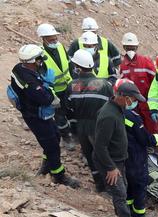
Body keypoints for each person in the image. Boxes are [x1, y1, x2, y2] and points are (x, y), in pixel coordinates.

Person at [9, 44, 79, 188]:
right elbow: (46, 99)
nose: (41, 61)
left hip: (36, 113)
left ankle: (47, 165)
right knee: (52, 145)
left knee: (55, 136)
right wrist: (49, 84)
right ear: (32, 61)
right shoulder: (31, 83)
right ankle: (58, 175)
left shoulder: (18, 68)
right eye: (39, 59)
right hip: (36, 116)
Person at [94, 81, 145, 217]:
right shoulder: (108, 115)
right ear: (123, 97)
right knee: (120, 193)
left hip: (118, 161)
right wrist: (110, 167)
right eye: (133, 99)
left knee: (124, 188)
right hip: (110, 162)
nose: (134, 103)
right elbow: (100, 146)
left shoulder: (118, 108)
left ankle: (123, 215)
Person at [113, 79, 158, 217]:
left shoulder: (115, 111)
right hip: (136, 156)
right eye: (135, 99)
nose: (136, 102)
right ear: (127, 98)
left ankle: (129, 209)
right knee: (139, 184)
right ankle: (139, 214)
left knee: (130, 184)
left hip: (124, 155)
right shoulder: (133, 117)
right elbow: (146, 140)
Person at [65, 49, 113, 192]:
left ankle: (99, 186)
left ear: (78, 68)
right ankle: (112, 187)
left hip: (81, 128)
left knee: (90, 156)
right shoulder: (104, 85)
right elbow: (113, 108)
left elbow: (69, 111)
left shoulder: (71, 86)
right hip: (100, 126)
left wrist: (73, 131)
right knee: (105, 156)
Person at [37, 23, 74, 150]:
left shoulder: (60, 47)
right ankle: (66, 137)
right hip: (54, 91)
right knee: (59, 115)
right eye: (51, 39)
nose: (54, 41)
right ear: (43, 39)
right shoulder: (40, 54)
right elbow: (41, 77)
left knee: (71, 111)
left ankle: (74, 133)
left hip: (68, 87)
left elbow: (69, 65)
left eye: (55, 38)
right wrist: (50, 93)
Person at [119, 33, 157, 134]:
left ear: (137, 47)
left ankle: (154, 149)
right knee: (135, 130)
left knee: (152, 129)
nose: (131, 50)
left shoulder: (146, 62)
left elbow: (156, 83)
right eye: (128, 47)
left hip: (147, 104)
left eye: (133, 47)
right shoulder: (123, 66)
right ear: (124, 47)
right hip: (132, 105)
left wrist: (155, 104)